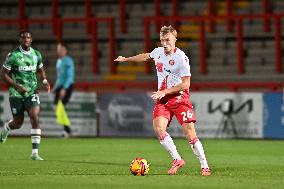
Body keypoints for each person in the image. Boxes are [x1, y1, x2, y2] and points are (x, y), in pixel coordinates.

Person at [114, 25, 211, 176]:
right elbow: (146, 55)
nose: (164, 43)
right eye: (162, 40)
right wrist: (127, 59)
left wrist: (165, 91)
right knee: (159, 129)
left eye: (167, 40)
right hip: (163, 99)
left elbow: (186, 84)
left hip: (180, 98)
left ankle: (204, 165)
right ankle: (177, 159)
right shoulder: (158, 52)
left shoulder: (181, 58)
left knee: (190, 134)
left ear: (175, 39)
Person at [0, 30, 50, 160]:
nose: (26, 40)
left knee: (34, 116)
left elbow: (40, 69)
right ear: (20, 40)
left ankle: (34, 153)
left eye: (28, 38)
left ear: (31, 40)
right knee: (18, 123)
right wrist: (17, 86)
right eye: (24, 38)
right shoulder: (14, 56)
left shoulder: (36, 54)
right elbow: (3, 74)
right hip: (16, 93)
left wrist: (44, 80)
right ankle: (6, 128)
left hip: (32, 91)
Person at [52, 43, 74, 138]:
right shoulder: (58, 61)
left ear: (65, 51)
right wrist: (55, 87)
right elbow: (59, 77)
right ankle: (67, 129)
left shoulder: (68, 60)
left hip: (67, 86)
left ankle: (66, 130)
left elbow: (70, 76)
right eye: (58, 49)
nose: (59, 51)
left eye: (61, 49)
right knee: (56, 108)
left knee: (59, 107)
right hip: (59, 86)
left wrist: (64, 88)